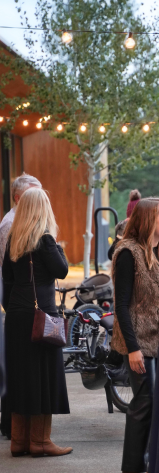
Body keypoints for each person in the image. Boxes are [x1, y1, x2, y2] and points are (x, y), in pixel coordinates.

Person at [111, 197, 159, 473]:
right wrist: (132, 349)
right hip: (139, 341)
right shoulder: (128, 253)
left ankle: (157, 470)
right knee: (144, 404)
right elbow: (122, 306)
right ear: (149, 219)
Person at [2, 188, 72, 458]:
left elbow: (7, 281)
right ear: (43, 209)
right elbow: (62, 270)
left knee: (20, 376)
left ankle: (19, 441)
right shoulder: (45, 239)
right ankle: (41, 442)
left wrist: (15, 310)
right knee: (44, 376)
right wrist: (56, 242)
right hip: (41, 315)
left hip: (17, 316)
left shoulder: (13, 241)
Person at [0, 173, 42, 439]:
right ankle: (12, 427)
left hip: (22, 302)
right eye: (33, 194)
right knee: (13, 367)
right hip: (18, 304)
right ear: (19, 197)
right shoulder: (10, 225)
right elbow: (8, 270)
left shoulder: (25, 222)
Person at [0, 173, 42, 269]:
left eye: (39, 195)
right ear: (18, 199)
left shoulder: (33, 219)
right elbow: (8, 265)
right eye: (32, 196)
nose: (39, 200)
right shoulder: (10, 224)